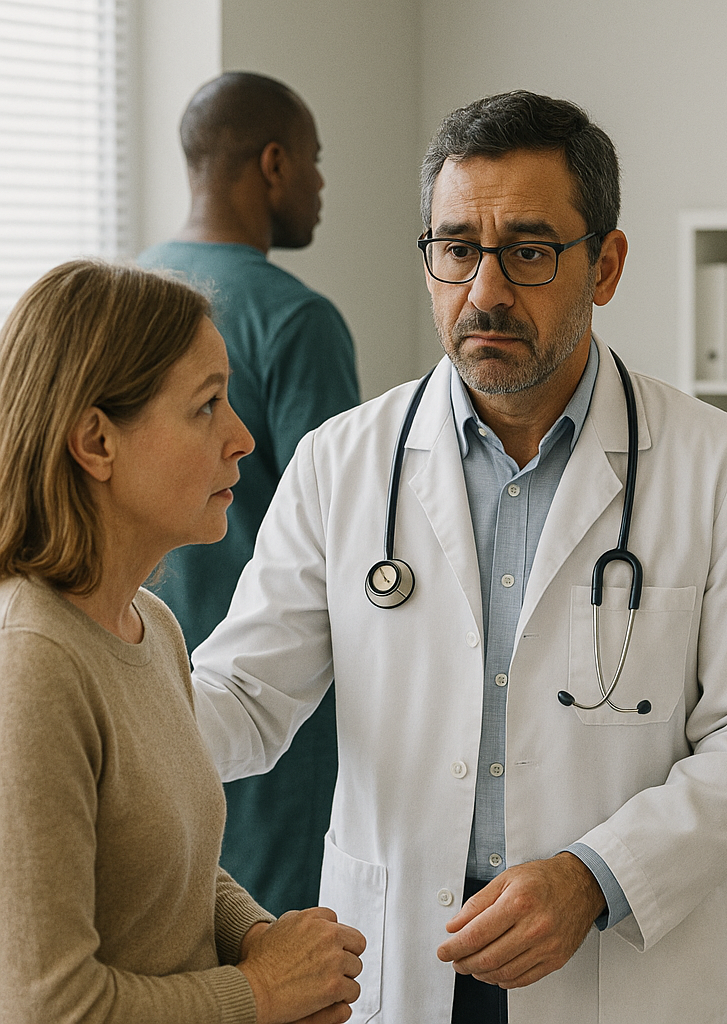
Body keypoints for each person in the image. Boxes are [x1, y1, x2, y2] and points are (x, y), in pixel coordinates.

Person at [191, 90, 727, 1024]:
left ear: (605, 265)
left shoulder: (718, 464)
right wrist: (87, 715)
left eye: (528, 252)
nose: (485, 291)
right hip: (400, 952)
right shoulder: (345, 462)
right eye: (456, 250)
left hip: (610, 957)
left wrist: (591, 877)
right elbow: (244, 695)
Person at [0, 259, 364, 1024]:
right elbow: (50, 1006)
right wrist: (263, 992)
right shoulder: (30, 665)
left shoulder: (150, 627)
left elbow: (170, 865)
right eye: (206, 407)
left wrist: (265, 939)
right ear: (96, 442)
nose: (241, 437)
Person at [138, 71, 360, 916]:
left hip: (152, 676)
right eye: (312, 160)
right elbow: (355, 532)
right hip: (273, 703)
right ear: (272, 163)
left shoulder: (132, 293)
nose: (320, 184)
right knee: (274, 948)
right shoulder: (294, 320)